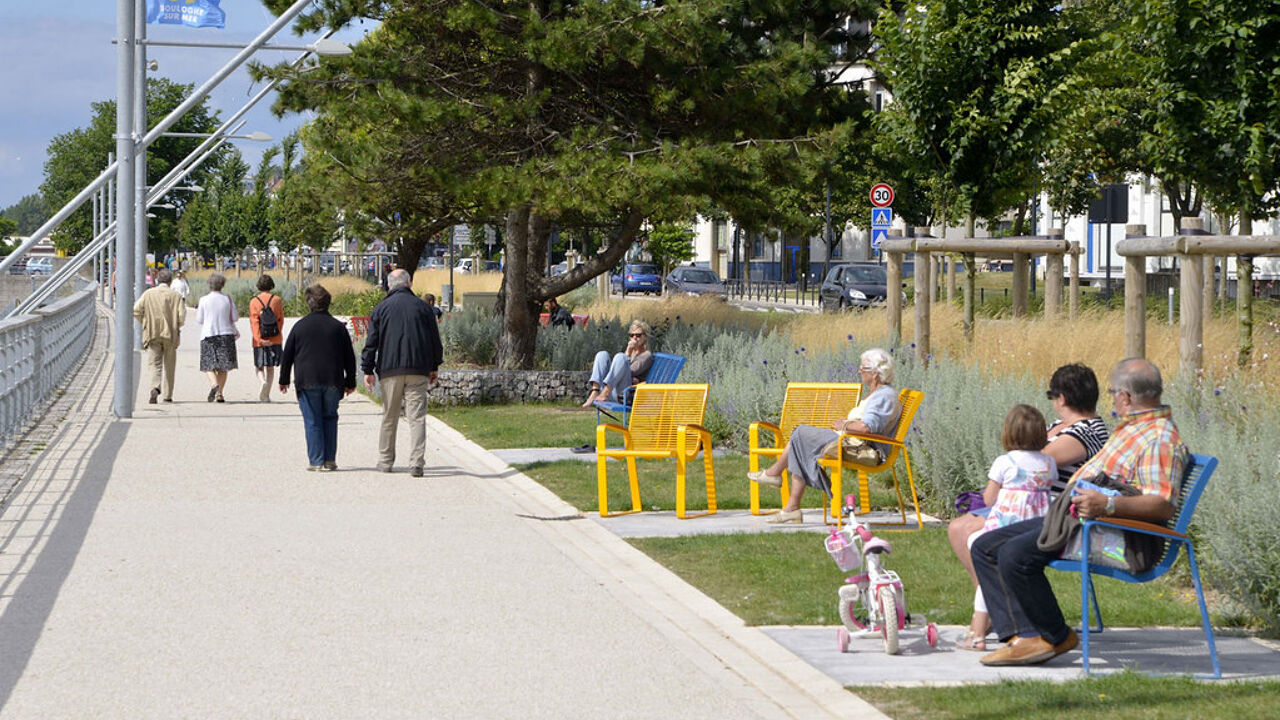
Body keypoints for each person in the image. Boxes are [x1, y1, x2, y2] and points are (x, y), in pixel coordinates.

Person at [973, 358, 1189, 666]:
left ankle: (1054, 636)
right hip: (1083, 520)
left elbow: (1163, 503)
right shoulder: (1136, 429)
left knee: (1014, 555)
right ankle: (1023, 637)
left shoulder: (1159, 440)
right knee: (985, 545)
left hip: (1118, 539)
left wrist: (1109, 505)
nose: (1112, 399)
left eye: (1114, 392)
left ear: (1126, 397)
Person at [947, 362, 1110, 634]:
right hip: (1026, 502)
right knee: (957, 528)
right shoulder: (1064, 425)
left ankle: (993, 610)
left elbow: (1034, 462)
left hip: (1044, 510)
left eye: (1053, 397)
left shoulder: (1086, 431)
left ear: (1062, 398)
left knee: (971, 533)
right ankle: (992, 599)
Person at [746, 348, 901, 525]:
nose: (859, 371)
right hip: (851, 442)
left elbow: (867, 428)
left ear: (875, 373)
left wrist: (844, 424)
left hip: (862, 448)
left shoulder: (884, 396)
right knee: (799, 440)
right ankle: (790, 505)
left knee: (800, 433)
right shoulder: (878, 393)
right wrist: (846, 425)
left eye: (863, 369)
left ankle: (777, 479)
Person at [957, 405, 1057, 651]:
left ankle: (977, 633)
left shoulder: (1005, 462)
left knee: (978, 552)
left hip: (1005, 527)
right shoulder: (1048, 462)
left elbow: (990, 500)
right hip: (1036, 528)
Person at [362, 268, 444, 477]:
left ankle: (385, 460)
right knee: (416, 417)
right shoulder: (424, 308)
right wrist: (434, 366)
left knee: (390, 416)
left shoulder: (381, 309)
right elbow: (435, 340)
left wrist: (368, 369)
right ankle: (416, 462)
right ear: (409, 283)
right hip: (418, 369)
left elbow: (371, 342)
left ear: (389, 285)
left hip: (390, 370)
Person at [279, 285, 357, 471]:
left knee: (312, 419)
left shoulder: (300, 326)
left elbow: (287, 355)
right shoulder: (338, 328)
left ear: (309, 304)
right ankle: (330, 459)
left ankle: (316, 460)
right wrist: (350, 382)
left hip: (307, 380)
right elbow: (349, 357)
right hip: (332, 380)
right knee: (330, 418)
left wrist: (284, 379)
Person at [131, 268, 186, 404]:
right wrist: (176, 325)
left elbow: (136, 310)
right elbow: (181, 317)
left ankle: (155, 387)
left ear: (158, 280)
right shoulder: (176, 296)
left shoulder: (148, 294)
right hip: (170, 334)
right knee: (169, 365)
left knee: (154, 364)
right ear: (170, 281)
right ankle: (167, 395)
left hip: (152, 333)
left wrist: (145, 322)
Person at [581, 320, 653, 407]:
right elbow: (620, 370)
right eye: (631, 335)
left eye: (638, 335)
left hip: (625, 393)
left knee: (621, 357)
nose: (634, 338)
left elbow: (630, 371)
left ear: (645, 337)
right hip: (614, 387)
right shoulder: (632, 352)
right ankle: (595, 391)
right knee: (602, 355)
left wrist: (628, 352)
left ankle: (605, 393)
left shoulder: (646, 355)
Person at [195, 272, 239, 403]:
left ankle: (214, 385)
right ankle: (220, 393)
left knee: (208, 365)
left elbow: (199, 319)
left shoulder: (203, 300)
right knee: (223, 367)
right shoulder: (227, 299)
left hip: (208, 334)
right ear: (223, 285)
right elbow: (235, 317)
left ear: (209, 285)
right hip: (226, 334)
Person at [249, 274, 286, 402]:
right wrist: (277, 334)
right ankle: (267, 395)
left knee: (259, 366)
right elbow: (280, 320)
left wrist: (259, 338)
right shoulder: (277, 300)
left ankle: (262, 381)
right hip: (274, 339)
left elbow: (254, 322)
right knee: (270, 368)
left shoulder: (254, 301)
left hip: (259, 341)